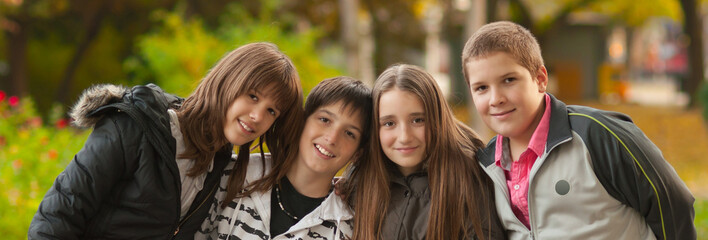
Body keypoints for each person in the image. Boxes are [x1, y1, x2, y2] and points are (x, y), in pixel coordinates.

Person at [28, 42, 304, 239]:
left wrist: (342, 186)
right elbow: (55, 219)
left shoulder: (218, 161)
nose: (257, 116)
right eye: (253, 96)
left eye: (271, 111)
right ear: (227, 81)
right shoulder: (134, 127)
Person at [461, 21, 696, 239]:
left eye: (509, 80)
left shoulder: (597, 135)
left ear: (541, 79)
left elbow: (673, 203)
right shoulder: (486, 163)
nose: (496, 99)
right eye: (481, 88)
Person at [341, 64, 505, 239]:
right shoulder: (360, 179)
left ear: (437, 119)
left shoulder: (469, 176)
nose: (404, 136)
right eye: (389, 123)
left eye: (418, 120)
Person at [196, 76, 372, 239]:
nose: (332, 138)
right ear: (302, 121)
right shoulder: (235, 174)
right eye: (325, 120)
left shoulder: (348, 229)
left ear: (358, 153)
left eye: (349, 133)